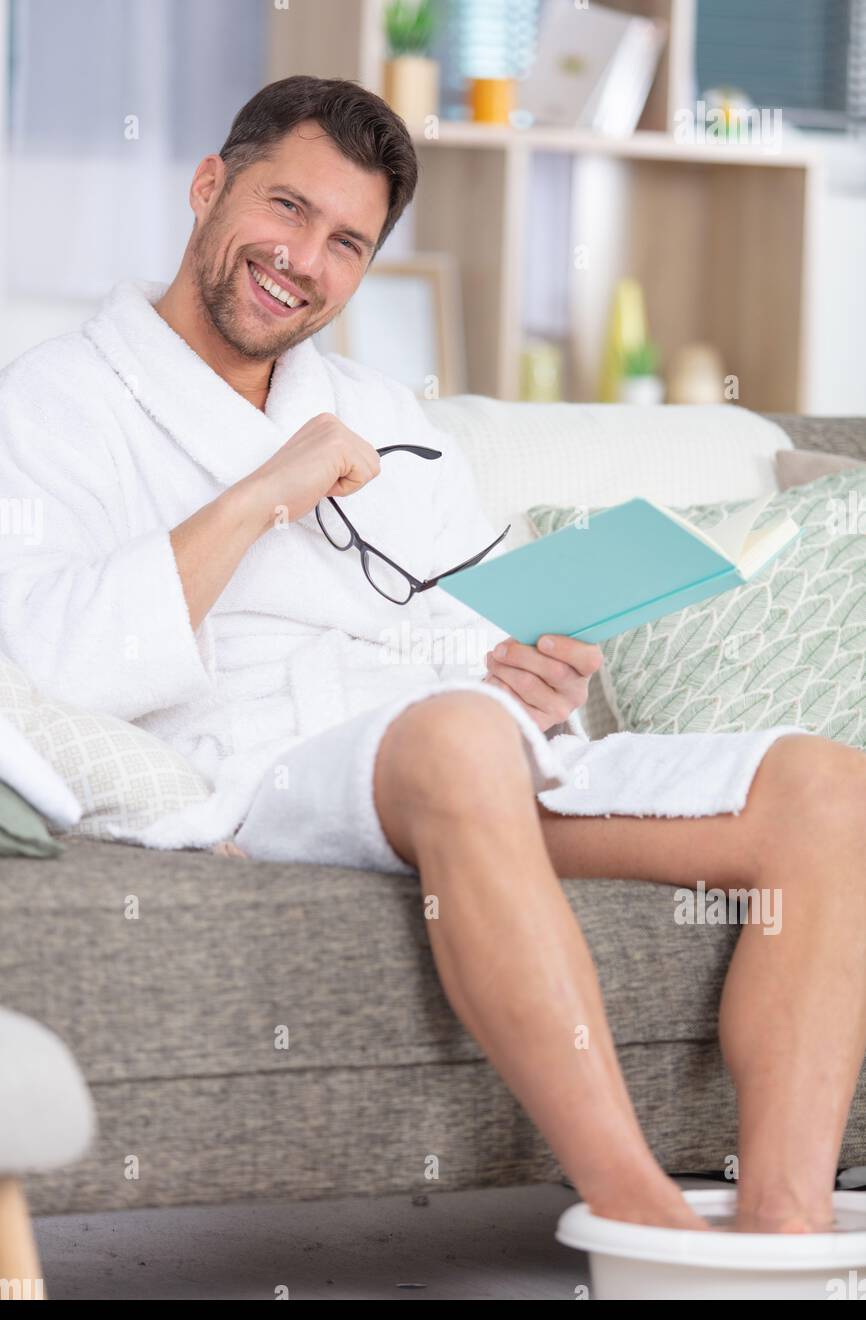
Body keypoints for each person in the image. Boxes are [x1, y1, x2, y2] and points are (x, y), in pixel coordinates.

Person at [1, 76, 864, 1238]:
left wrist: (538, 683)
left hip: (455, 753)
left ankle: (781, 1231)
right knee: (457, 737)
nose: (305, 259)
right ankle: (640, 1214)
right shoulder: (50, 403)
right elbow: (52, 662)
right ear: (208, 188)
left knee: (824, 786)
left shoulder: (383, 413)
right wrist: (261, 493)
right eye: (286, 208)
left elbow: (475, 626)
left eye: (347, 240)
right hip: (261, 763)